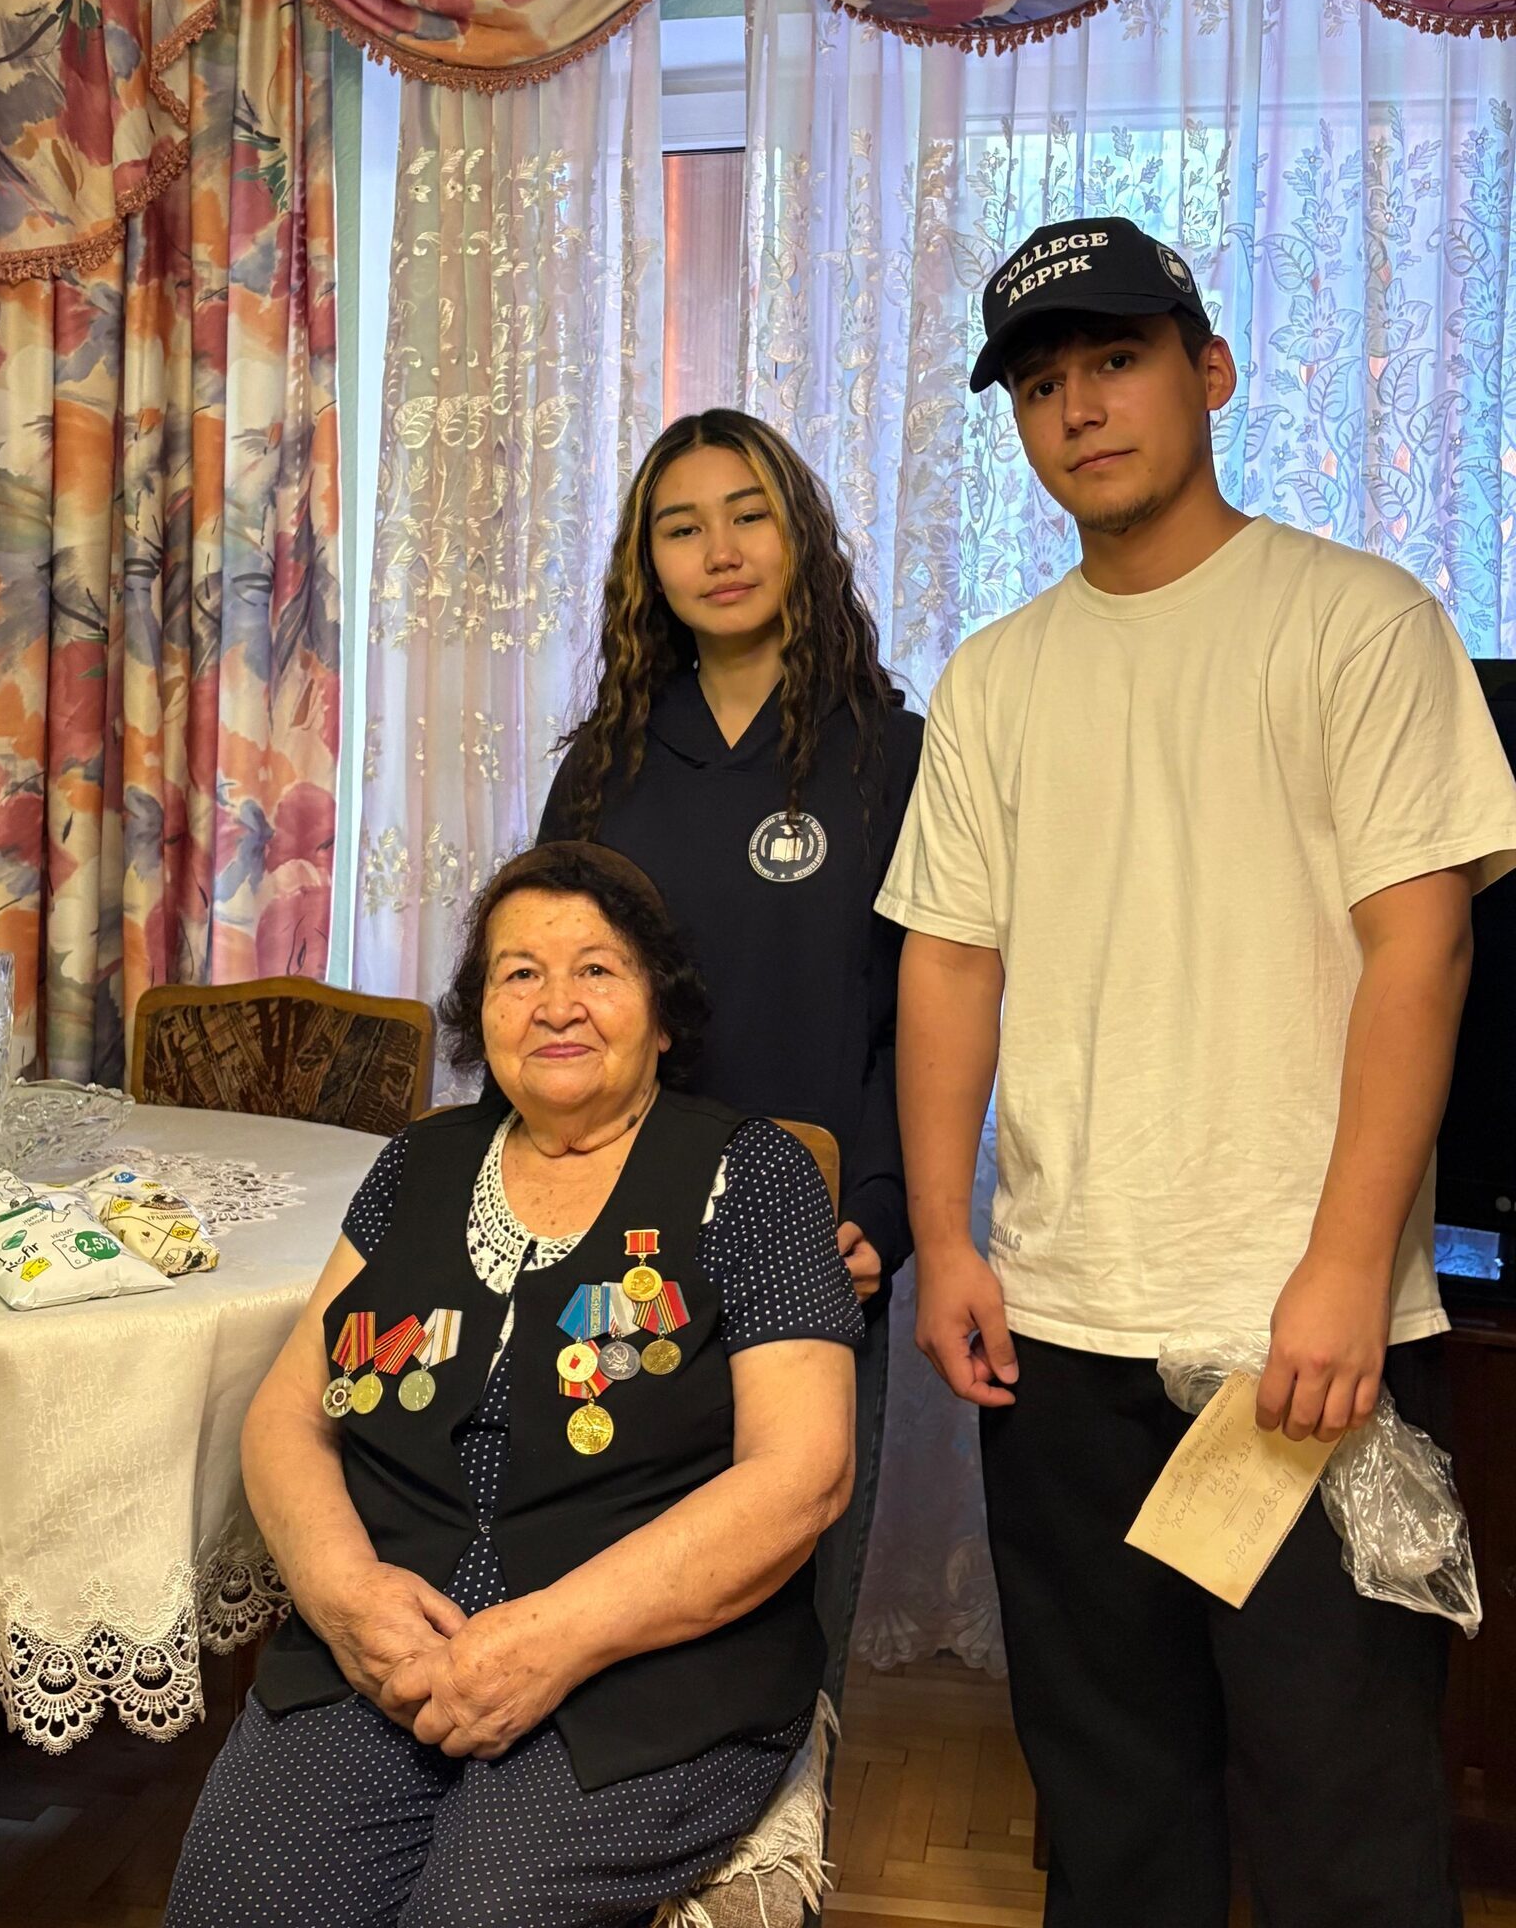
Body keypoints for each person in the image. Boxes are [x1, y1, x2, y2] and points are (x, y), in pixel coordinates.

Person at [880, 217, 1516, 1928]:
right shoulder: (997, 676)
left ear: (1208, 370)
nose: (1080, 408)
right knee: (1112, 1808)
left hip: (1301, 1337)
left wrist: (1343, 1268)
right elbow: (951, 963)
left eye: (1116, 360)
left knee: (1342, 1819)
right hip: (1060, 1326)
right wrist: (946, 1238)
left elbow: (1423, 951)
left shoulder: (1358, 621)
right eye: (1041, 385)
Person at [166, 841, 861, 1928]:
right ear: (481, 1011)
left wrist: (553, 1639)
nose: (556, 1003)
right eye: (519, 972)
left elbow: (804, 1474)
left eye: (598, 969)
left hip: (646, 1670)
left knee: (476, 1913)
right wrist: (346, 1595)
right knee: (241, 1905)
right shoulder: (418, 1163)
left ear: (663, 1013)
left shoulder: (753, 1174)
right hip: (389, 1649)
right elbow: (287, 1414)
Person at [537, 408, 922, 1702]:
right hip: (623, 1237)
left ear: (800, 533)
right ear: (646, 565)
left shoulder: (893, 757)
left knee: (790, 1624)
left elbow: (919, 1020)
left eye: (749, 513)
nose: (721, 550)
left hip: (821, 1234)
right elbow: (551, 1011)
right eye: (682, 526)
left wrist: (883, 1210)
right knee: (613, 1602)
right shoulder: (603, 770)